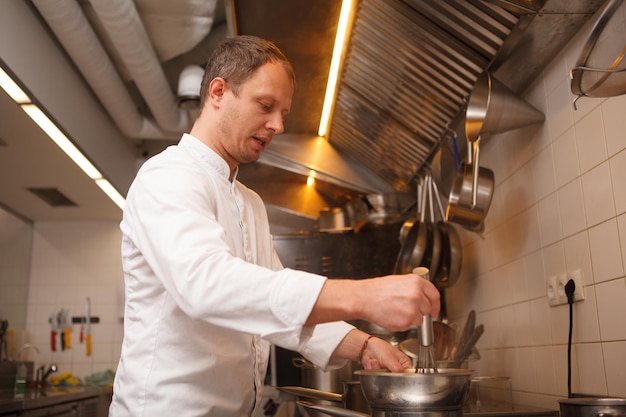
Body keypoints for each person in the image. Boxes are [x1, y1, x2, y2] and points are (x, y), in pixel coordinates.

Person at [108, 35, 440, 417]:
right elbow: (204, 285)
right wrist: (366, 297)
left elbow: (280, 310)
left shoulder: (249, 202)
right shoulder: (167, 176)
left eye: (283, 112)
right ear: (219, 92)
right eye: (266, 106)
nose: (278, 125)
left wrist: (363, 344)